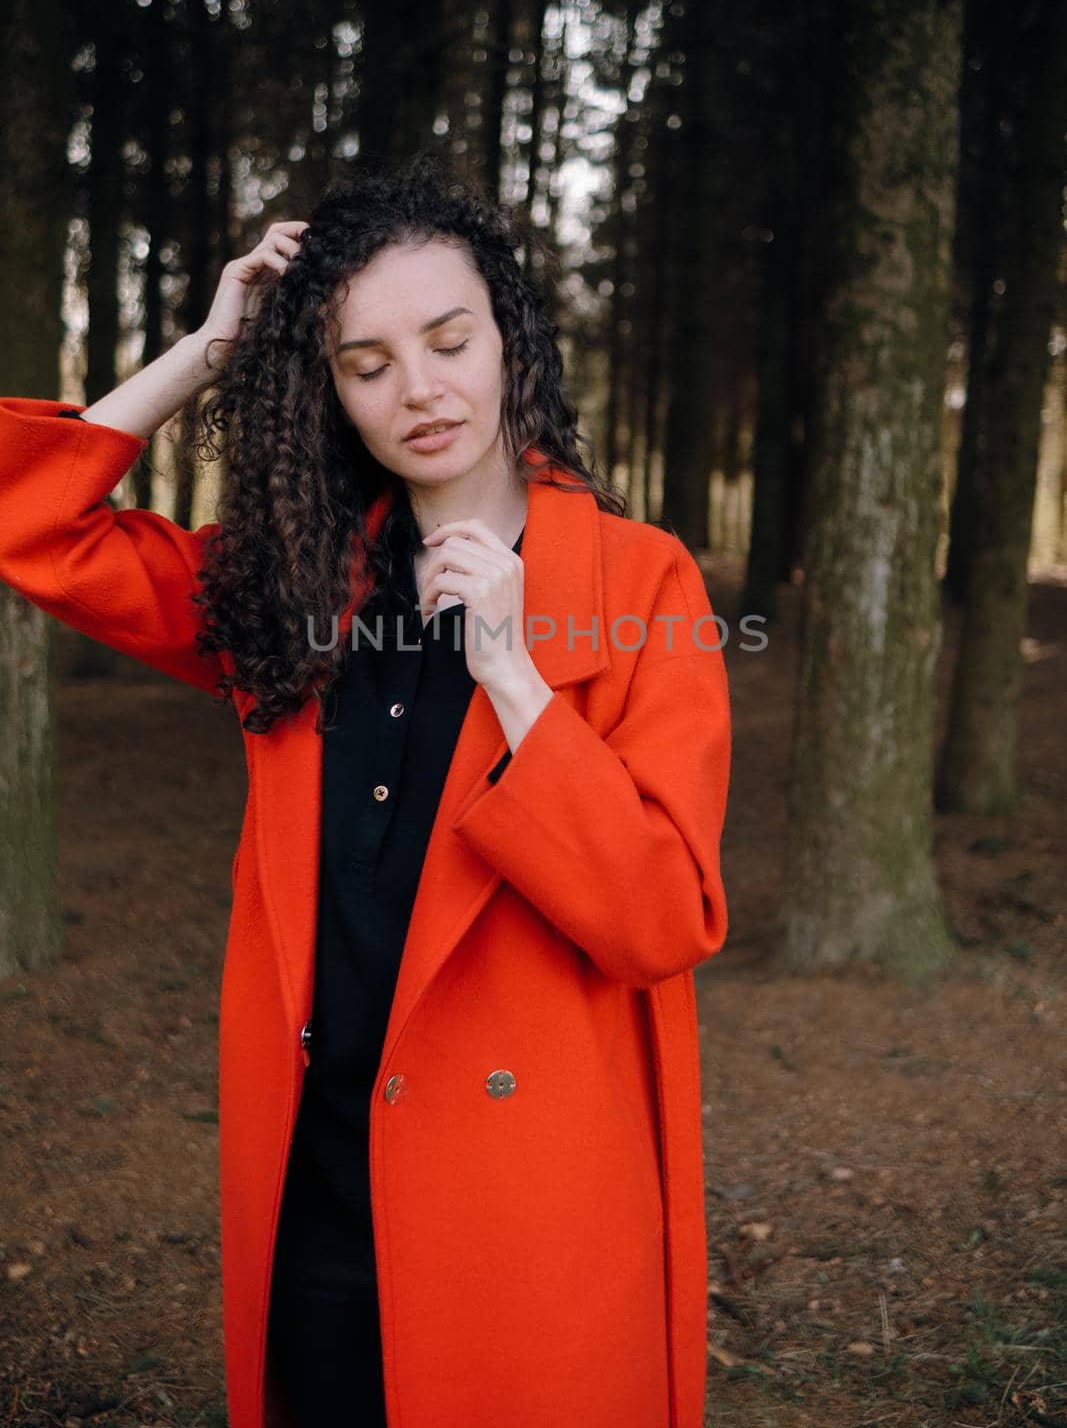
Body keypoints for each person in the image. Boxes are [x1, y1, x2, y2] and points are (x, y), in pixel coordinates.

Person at [0, 154, 732, 1428]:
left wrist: (512, 675)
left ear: (506, 335)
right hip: (317, 1188)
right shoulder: (289, 580)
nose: (420, 389)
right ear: (329, 388)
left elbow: (662, 919)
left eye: (447, 338)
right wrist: (206, 351)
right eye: (366, 361)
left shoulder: (640, 578)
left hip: (526, 1205)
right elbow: (35, 525)